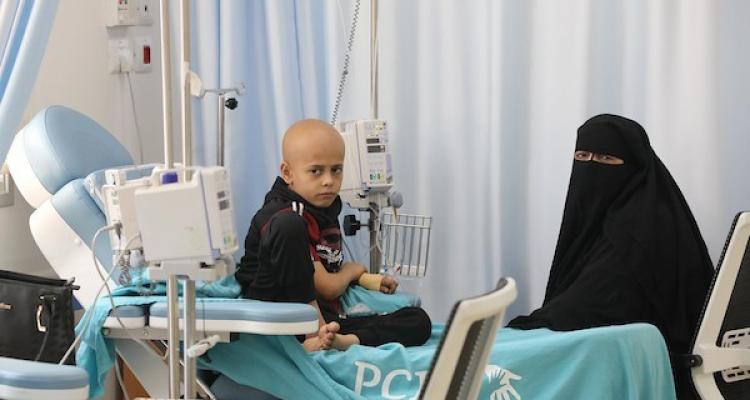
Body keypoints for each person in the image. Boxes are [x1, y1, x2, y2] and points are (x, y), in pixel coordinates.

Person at [508, 114, 714, 399]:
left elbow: (590, 306)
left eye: (606, 158)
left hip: (657, 376)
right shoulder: (616, 216)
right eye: (582, 156)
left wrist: (518, 328)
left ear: (634, 166)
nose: (591, 165)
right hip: (623, 359)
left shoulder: (641, 227)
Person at [235, 119, 431, 352]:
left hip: (328, 320)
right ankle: (314, 336)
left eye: (336, 170)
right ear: (287, 173)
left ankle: (345, 341)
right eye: (315, 171)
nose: (328, 181)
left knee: (418, 320)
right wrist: (352, 270)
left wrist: (364, 279)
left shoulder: (323, 207)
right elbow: (326, 287)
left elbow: (325, 268)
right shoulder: (286, 216)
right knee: (289, 225)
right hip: (283, 323)